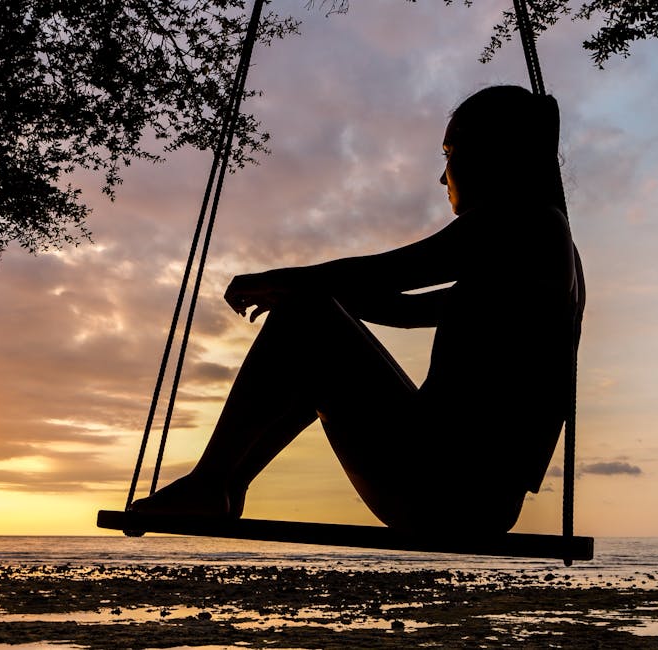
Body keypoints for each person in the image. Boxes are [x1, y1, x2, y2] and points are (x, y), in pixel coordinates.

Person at [131, 85, 584, 534]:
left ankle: (211, 483)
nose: (443, 178)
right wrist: (312, 294)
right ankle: (225, 487)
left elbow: (395, 271)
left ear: (491, 151)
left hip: (445, 487)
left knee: (306, 317)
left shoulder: (522, 224)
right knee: (312, 319)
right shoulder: (541, 249)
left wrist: (286, 284)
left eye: (449, 153)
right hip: (476, 498)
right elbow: (405, 309)